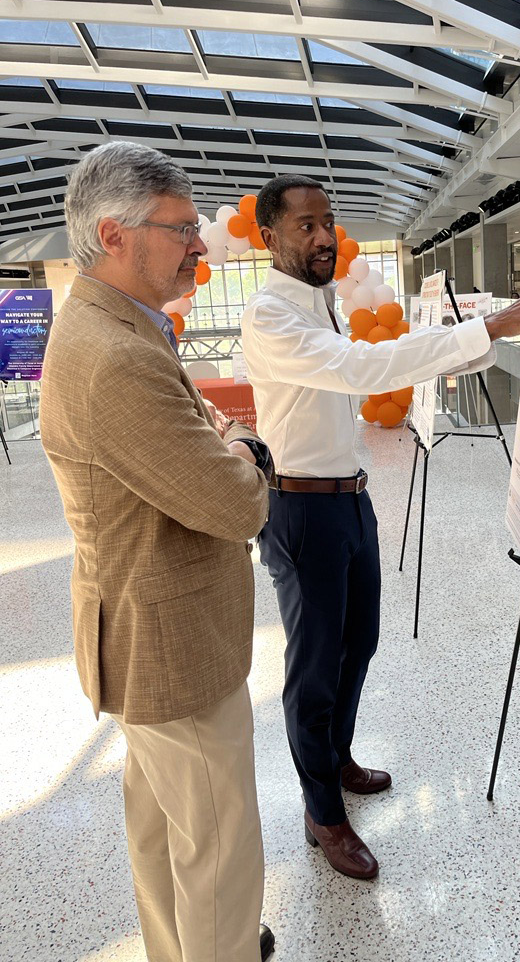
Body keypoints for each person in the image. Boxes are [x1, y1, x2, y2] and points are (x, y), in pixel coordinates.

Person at [241, 174, 520, 880]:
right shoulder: (270, 315)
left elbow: (371, 362)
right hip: (301, 508)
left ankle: (335, 758)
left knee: (358, 645)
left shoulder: (320, 301)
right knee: (314, 669)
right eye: (306, 226)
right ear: (270, 236)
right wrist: (490, 327)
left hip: (350, 499)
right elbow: (363, 368)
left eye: (328, 222)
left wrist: (485, 331)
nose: (324, 237)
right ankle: (321, 813)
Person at [40, 142, 275, 962]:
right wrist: (246, 450)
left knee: (166, 828)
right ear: (114, 235)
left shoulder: (117, 326)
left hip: (149, 633)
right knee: (218, 848)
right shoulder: (115, 357)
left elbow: (196, 433)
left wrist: (221, 441)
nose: (200, 245)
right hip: (172, 647)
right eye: (181, 229)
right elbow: (236, 503)